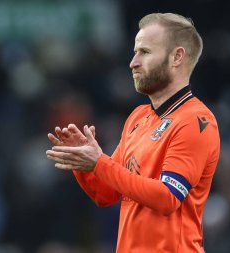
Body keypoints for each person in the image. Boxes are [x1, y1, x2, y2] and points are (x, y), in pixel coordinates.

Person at [46, 13, 220, 253]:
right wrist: (82, 161)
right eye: (135, 52)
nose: (133, 62)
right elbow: (107, 194)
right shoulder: (138, 117)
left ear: (177, 57)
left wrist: (100, 163)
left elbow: (167, 197)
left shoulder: (196, 121)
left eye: (145, 52)